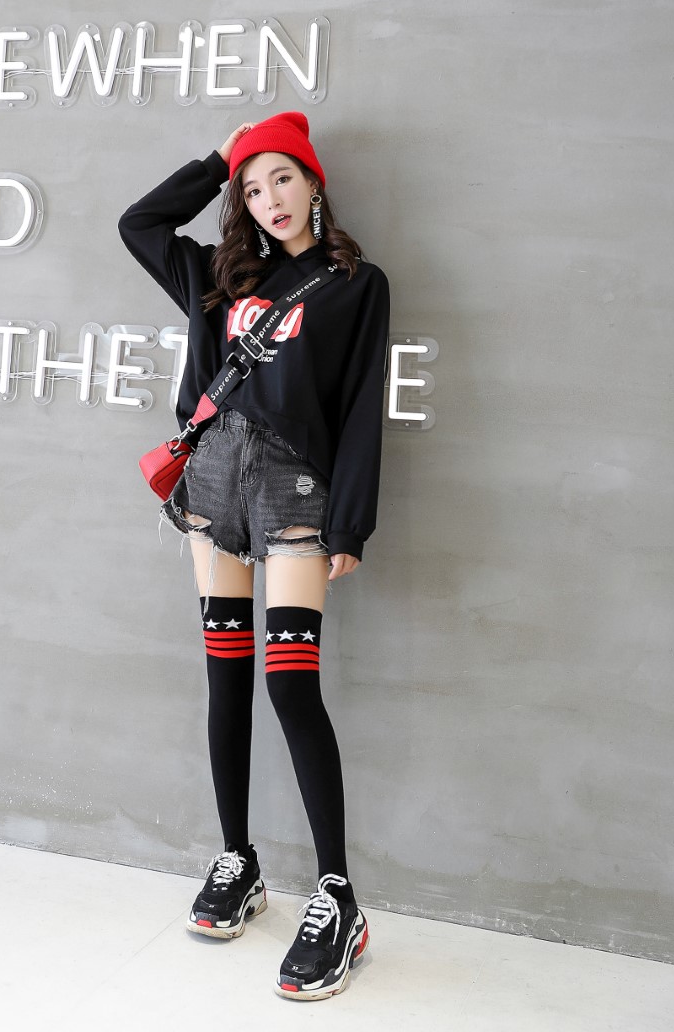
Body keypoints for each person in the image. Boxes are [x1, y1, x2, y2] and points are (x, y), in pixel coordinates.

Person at [118, 112, 390, 1001]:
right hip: (213, 491)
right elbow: (139, 223)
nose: (269, 197)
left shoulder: (356, 285)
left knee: (290, 686)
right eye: (252, 184)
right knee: (225, 676)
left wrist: (351, 524)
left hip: (295, 495)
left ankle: (338, 898)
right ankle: (238, 860)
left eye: (283, 177)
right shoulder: (218, 275)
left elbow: (361, 404)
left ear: (313, 184)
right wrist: (216, 158)